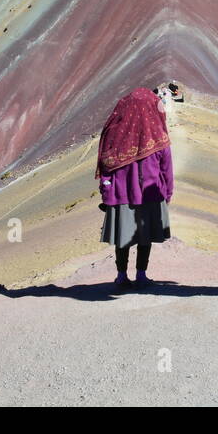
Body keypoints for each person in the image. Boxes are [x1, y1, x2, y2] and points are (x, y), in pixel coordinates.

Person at [95, 87, 174, 288]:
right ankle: (141, 275)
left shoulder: (115, 137)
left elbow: (106, 168)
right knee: (144, 237)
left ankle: (121, 276)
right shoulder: (159, 138)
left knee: (123, 237)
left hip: (120, 196)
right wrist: (167, 194)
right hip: (151, 195)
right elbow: (167, 170)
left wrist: (106, 190)